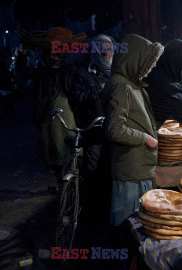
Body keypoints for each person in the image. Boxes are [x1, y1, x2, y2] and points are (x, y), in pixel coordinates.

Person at [104, 33, 164, 227]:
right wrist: (144, 137)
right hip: (130, 170)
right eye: (145, 64)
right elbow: (114, 129)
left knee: (137, 225)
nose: (146, 71)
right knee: (128, 225)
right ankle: (124, 256)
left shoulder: (131, 84)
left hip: (139, 166)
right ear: (133, 59)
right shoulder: (122, 86)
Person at [30, 27, 86, 189]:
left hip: (66, 112)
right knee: (53, 147)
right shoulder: (43, 71)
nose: (55, 55)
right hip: (50, 115)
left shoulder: (67, 70)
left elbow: (73, 90)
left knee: (67, 146)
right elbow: (39, 95)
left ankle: (68, 183)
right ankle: (60, 181)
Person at [68, 34, 115, 224]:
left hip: (114, 131)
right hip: (93, 131)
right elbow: (76, 98)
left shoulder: (117, 73)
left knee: (112, 171)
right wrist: (97, 89)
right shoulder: (82, 73)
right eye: (102, 49)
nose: (106, 53)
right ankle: (92, 217)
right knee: (93, 172)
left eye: (109, 49)